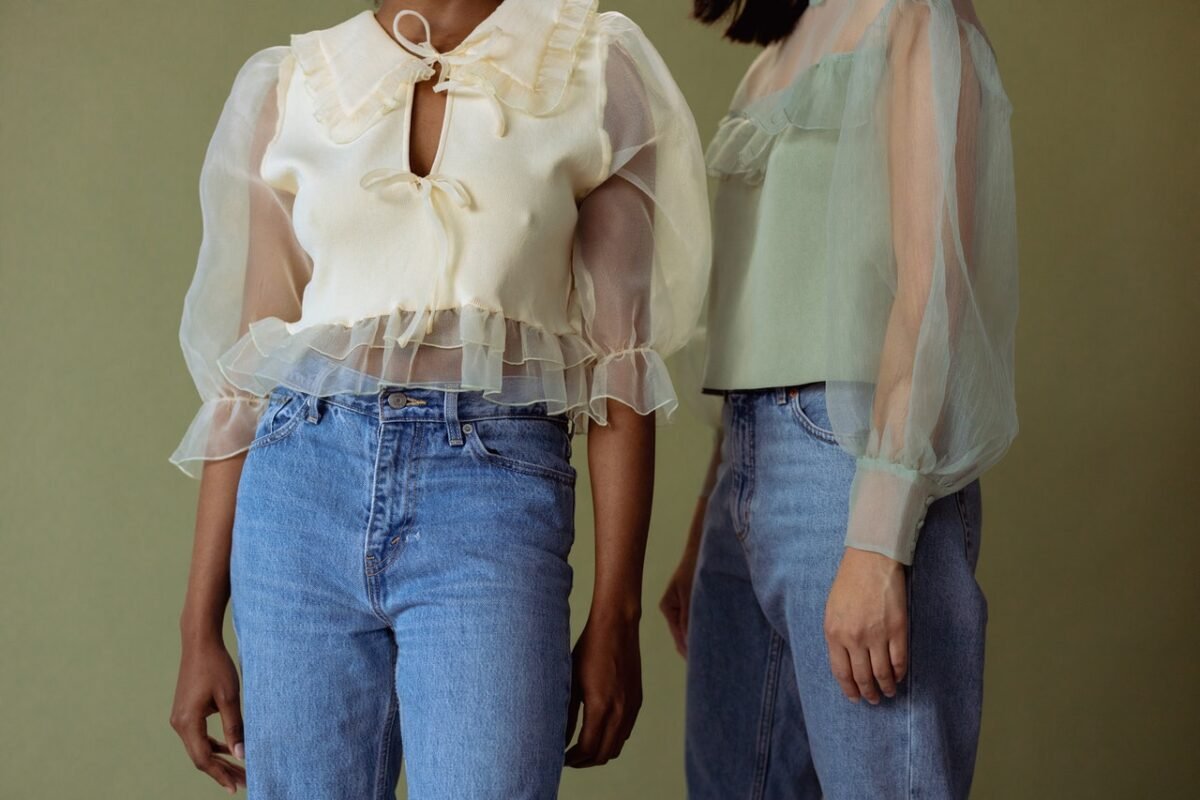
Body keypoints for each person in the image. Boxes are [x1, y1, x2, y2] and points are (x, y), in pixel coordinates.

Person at [166, 1, 709, 797]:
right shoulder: (299, 82)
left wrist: (615, 614)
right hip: (298, 493)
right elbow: (247, 377)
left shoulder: (590, 64)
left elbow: (621, 366)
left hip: (492, 499)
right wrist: (198, 626)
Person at [660, 0, 1018, 797]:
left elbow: (932, 290)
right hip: (743, 480)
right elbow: (757, 310)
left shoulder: (917, 16)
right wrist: (710, 520)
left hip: (855, 465)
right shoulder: (770, 59)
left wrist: (878, 539)